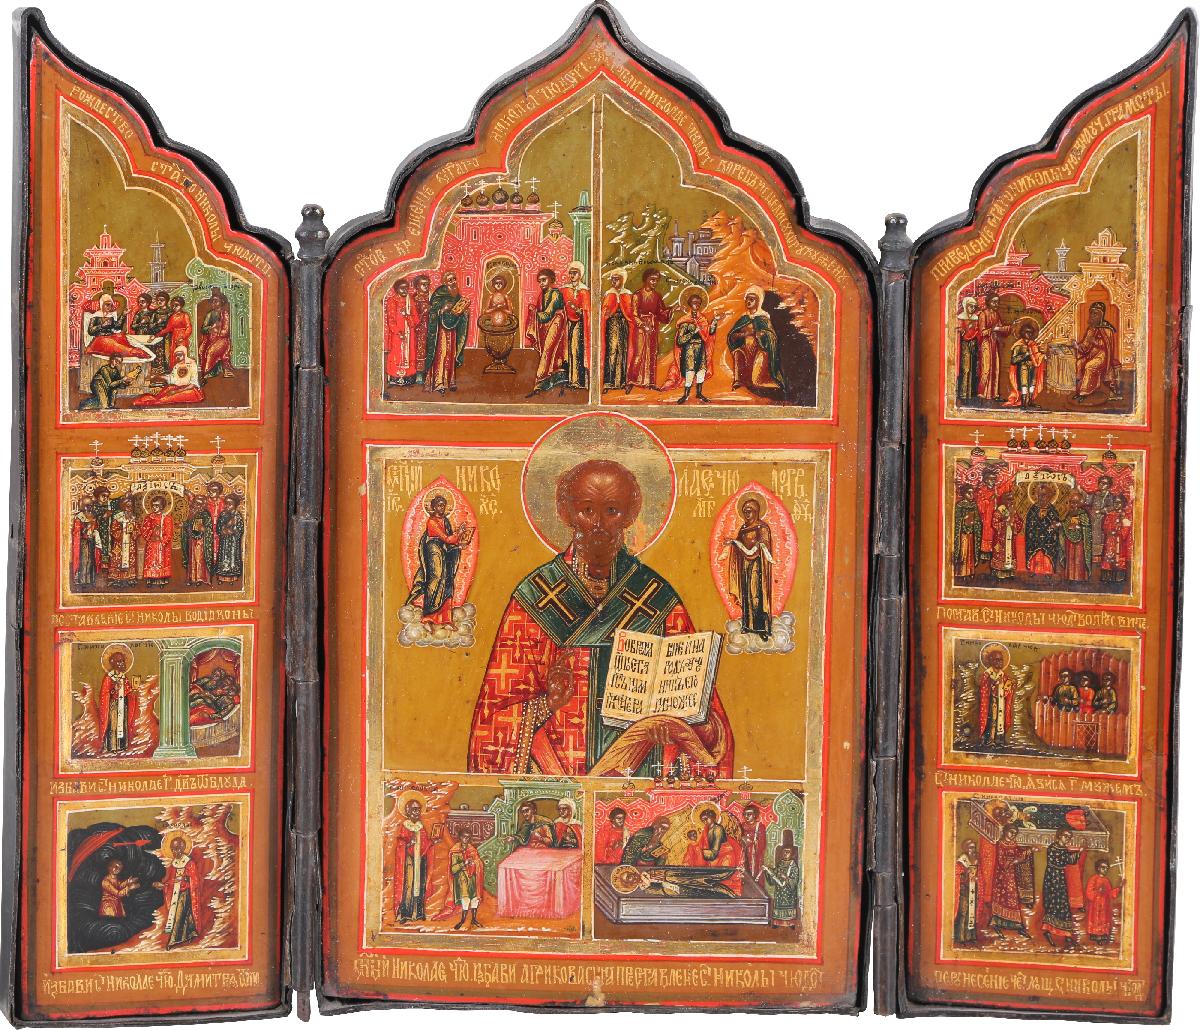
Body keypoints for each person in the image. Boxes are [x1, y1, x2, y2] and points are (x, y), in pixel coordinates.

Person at [466, 459, 734, 777]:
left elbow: (706, 719)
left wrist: (676, 723)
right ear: (566, 512)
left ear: (630, 515)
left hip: (641, 774)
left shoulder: (657, 598)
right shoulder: (535, 597)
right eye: (586, 510)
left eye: (612, 511)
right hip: (557, 777)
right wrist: (547, 704)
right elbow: (493, 720)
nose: (598, 524)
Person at [405, 492, 474, 625]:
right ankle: (429, 617)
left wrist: (460, 544)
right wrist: (458, 533)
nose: (441, 508)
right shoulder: (432, 522)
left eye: (443, 505)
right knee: (436, 579)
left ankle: (446, 618)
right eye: (439, 505)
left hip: (444, 552)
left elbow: (450, 541)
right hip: (434, 551)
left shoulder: (446, 521)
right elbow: (447, 538)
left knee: (448, 580)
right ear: (433, 507)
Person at [726, 495, 774, 639]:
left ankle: (761, 629)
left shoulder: (762, 527)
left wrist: (755, 547)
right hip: (745, 565)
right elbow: (739, 546)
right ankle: (747, 625)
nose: (747, 514)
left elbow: (763, 546)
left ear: (756, 511)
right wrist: (734, 543)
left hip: (757, 567)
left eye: (749, 511)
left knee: (756, 595)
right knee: (746, 594)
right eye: (745, 511)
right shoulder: (743, 528)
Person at [154, 834, 209, 949]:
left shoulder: (189, 863)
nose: (175, 852)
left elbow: (194, 881)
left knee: (178, 916)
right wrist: (163, 885)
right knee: (185, 915)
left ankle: (173, 940)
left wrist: (183, 882)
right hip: (176, 893)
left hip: (186, 893)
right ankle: (190, 933)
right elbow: (170, 880)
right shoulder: (174, 863)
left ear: (183, 848)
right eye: (173, 849)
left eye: (177, 848)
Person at [627, 269, 674, 390]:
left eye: (656, 280)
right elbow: (634, 314)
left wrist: (672, 309)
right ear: (646, 279)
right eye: (652, 280)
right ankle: (632, 380)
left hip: (653, 326)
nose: (654, 282)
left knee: (652, 353)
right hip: (641, 328)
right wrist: (643, 325)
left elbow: (661, 313)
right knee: (639, 353)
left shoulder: (657, 296)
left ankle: (650, 382)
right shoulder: (637, 295)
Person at [525, 268, 569, 396]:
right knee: (548, 352)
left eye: (544, 280)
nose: (541, 283)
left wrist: (534, 313)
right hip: (546, 326)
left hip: (557, 323)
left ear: (551, 280)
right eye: (539, 281)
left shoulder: (555, 294)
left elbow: (548, 314)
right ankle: (549, 381)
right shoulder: (541, 295)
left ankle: (540, 381)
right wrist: (534, 311)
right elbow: (542, 314)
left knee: (548, 351)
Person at [726, 286, 780, 391]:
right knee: (738, 352)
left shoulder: (763, 318)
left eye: (752, 299)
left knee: (757, 381)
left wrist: (760, 334)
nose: (748, 301)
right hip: (746, 351)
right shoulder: (743, 318)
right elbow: (732, 335)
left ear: (758, 301)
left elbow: (771, 336)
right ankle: (739, 380)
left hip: (760, 350)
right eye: (747, 299)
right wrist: (743, 335)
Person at [424, 272, 470, 394]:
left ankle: (450, 380)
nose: (453, 282)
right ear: (445, 282)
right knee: (442, 353)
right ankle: (439, 382)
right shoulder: (439, 292)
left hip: (452, 328)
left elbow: (458, 306)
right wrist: (443, 308)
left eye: (454, 279)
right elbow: (433, 308)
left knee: (451, 353)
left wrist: (463, 310)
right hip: (441, 330)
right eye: (450, 280)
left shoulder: (456, 293)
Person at [673, 288, 721, 404]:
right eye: (695, 303)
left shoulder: (702, 319)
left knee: (701, 371)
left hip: (701, 349)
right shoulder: (685, 321)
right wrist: (692, 333)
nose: (697, 305)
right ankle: (685, 395)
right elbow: (680, 340)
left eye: (699, 303)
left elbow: (709, 332)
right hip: (689, 349)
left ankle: (699, 393)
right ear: (690, 304)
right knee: (690, 372)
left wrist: (714, 321)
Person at [1041, 828, 1085, 950]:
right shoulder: (1052, 848)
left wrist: (1078, 853)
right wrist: (1077, 853)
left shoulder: (1063, 849)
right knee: (1053, 906)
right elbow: (1061, 861)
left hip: (1060, 880)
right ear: (1059, 836)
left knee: (1064, 907)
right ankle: (1048, 931)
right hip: (1052, 881)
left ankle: (1067, 936)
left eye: (1069, 837)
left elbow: (1068, 860)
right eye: (1066, 836)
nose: (1068, 839)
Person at [988, 825, 1034, 938]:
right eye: (1011, 832)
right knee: (1002, 899)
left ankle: (1017, 925)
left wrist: (1029, 851)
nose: (1013, 834)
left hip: (1011, 877)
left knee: (1013, 900)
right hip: (1001, 877)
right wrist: (1014, 861)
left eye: (1015, 833)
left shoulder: (1013, 843)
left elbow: (1019, 853)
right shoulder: (1000, 844)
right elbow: (1001, 862)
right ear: (1005, 831)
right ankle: (997, 923)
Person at [394, 798, 434, 923]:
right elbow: (400, 844)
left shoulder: (421, 827)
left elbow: (425, 844)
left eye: (418, 809)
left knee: (420, 885)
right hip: (409, 860)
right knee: (409, 885)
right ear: (408, 811)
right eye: (414, 809)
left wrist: (432, 842)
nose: (417, 812)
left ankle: (419, 913)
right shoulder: (405, 826)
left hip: (420, 860)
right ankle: (406, 913)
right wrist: (408, 843)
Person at [1074, 301, 1119, 402]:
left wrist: (1095, 341)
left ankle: (1084, 393)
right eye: (1091, 313)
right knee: (1079, 363)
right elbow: (1085, 345)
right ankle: (1079, 391)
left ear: (1101, 315)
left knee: (1089, 366)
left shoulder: (1107, 329)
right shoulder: (1091, 329)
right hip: (1091, 354)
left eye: (1095, 314)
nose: (1092, 316)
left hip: (1103, 356)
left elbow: (1107, 345)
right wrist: (1077, 346)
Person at [132, 346, 204, 407]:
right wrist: (157, 376)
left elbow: (193, 384)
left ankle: (146, 403)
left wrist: (177, 391)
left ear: (185, 354)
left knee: (166, 399)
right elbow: (172, 378)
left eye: (180, 355)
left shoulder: (192, 364)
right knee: (160, 395)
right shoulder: (177, 365)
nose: (178, 357)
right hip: (177, 387)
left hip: (189, 390)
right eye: (176, 355)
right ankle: (145, 400)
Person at [82, 294, 144, 359]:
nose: (109, 307)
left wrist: (123, 315)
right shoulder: (96, 316)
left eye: (111, 305)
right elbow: (91, 331)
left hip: (111, 336)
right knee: (112, 344)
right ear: (102, 304)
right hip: (100, 339)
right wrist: (101, 326)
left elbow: (117, 327)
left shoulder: (110, 315)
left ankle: (131, 350)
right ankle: (131, 351)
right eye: (107, 305)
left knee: (120, 336)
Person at [384, 278, 420, 387]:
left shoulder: (410, 301)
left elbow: (416, 320)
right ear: (396, 289)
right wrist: (398, 332)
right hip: (396, 335)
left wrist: (406, 315)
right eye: (402, 288)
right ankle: (395, 378)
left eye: (406, 288)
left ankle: (408, 377)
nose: (405, 290)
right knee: (397, 354)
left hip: (409, 334)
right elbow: (390, 320)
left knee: (409, 354)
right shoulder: (392, 301)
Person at [1024, 482, 1064, 579]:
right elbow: (1029, 525)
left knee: (1047, 555)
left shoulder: (1052, 510)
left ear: (1049, 496)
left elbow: (1057, 523)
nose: (1042, 498)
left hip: (1049, 539)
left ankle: (1048, 571)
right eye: (1039, 495)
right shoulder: (1033, 509)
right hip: (1034, 538)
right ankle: (1033, 570)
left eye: (1044, 495)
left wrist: (1056, 525)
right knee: (1036, 554)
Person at [447, 826, 484, 930]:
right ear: (460, 837)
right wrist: (464, 863)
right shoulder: (455, 851)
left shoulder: (472, 849)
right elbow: (453, 869)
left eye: (468, 837)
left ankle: (474, 919)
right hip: (462, 879)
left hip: (472, 878)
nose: (466, 839)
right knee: (465, 898)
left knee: (474, 898)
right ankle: (463, 920)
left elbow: (479, 862)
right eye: (464, 837)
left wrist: (475, 863)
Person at [601, 270, 633, 392]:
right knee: (612, 351)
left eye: (617, 279)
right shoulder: (609, 294)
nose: (614, 281)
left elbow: (630, 311)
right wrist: (607, 313)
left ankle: (622, 382)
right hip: (612, 325)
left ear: (623, 280)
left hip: (624, 325)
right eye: (612, 279)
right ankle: (608, 382)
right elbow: (604, 310)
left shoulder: (627, 294)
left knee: (623, 351)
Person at [977, 645, 1014, 747]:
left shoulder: (1004, 676)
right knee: (991, 720)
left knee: (1000, 720)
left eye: (1001, 660)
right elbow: (984, 688)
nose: (1000, 662)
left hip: (1000, 702)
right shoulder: (987, 674)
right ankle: (989, 740)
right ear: (991, 661)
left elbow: (1007, 690)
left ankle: (999, 740)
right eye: (997, 660)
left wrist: (1009, 686)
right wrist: (993, 683)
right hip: (990, 703)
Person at [976, 293, 1011, 401]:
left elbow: (1000, 328)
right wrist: (993, 329)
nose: (996, 304)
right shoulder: (983, 314)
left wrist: (1007, 328)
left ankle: (993, 394)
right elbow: (982, 332)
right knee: (986, 368)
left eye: (997, 302)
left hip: (994, 342)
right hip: (986, 343)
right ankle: (982, 393)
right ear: (988, 302)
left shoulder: (996, 314)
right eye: (994, 302)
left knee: (995, 367)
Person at [98, 649, 133, 753]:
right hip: (113, 705)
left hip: (123, 704)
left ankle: (122, 745)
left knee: (123, 723)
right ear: (114, 663)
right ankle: (112, 746)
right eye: (119, 661)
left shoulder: (123, 677)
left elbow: (127, 689)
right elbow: (105, 693)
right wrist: (114, 689)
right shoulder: (109, 678)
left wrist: (131, 690)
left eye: (123, 661)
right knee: (113, 724)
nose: (122, 664)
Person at [562, 261, 589, 391]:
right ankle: (571, 379)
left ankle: (578, 380)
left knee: (576, 349)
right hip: (567, 322)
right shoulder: (565, 289)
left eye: (575, 273)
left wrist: (577, 309)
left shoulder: (584, 290)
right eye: (571, 273)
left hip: (579, 323)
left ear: (580, 274)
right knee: (569, 351)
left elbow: (586, 310)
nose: (572, 275)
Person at [139, 495, 174, 588]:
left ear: (162, 506)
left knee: (161, 562)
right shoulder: (148, 518)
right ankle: (150, 579)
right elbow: (144, 530)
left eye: (157, 505)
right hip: (151, 544)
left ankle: (161, 580)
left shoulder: (166, 518)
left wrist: (163, 542)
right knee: (151, 562)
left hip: (161, 544)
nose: (154, 507)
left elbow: (169, 533)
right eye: (153, 505)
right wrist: (152, 531)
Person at [1005, 323, 1044, 408]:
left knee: (1032, 384)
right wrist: (1025, 355)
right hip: (1023, 367)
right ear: (1022, 333)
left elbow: (1036, 355)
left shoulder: (1033, 344)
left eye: (1031, 332)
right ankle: (1023, 402)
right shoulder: (1018, 345)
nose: (1029, 334)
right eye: (1027, 332)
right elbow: (1013, 360)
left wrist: (1040, 355)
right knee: (1024, 384)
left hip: (1033, 367)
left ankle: (1030, 401)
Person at [198, 288, 233, 381]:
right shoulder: (210, 314)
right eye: (212, 301)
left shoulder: (224, 314)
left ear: (221, 302)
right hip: (210, 339)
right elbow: (203, 329)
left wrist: (217, 332)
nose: (213, 303)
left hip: (222, 340)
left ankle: (208, 372)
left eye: (216, 301)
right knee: (202, 350)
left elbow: (225, 330)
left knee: (211, 352)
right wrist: (210, 328)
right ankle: (209, 372)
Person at [1085, 859, 1121, 945]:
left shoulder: (1106, 881)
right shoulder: (1093, 879)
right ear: (1098, 868)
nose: (1105, 870)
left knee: (1103, 919)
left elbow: (1110, 893)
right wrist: (1097, 892)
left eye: (1106, 868)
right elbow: (1088, 892)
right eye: (1103, 868)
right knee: (1095, 919)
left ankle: (1102, 936)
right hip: (1095, 905)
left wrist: (1119, 888)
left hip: (1104, 905)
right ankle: (1095, 935)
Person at [765, 844, 800, 928]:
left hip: (789, 893)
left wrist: (786, 878)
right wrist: (767, 870)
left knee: (789, 908)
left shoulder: (793, 866)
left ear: (791, 854)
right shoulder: (780, 863)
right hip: (780, 892)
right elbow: (775, 873)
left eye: (788, 852)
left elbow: (795, 881)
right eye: (784, 852)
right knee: (778, 907)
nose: (786, 854)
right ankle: (777, 923)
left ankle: (790, 923)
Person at [952, 839, 981, 944]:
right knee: (963, 913)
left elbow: (980, 874)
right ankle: (960, 937)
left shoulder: (976, 859)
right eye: (970, 847)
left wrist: (977, 878)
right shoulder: (961, 860)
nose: (973, 850)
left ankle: (970, 936)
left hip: (973, 889)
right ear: (965, 848)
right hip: (964, 890)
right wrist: (965, 873)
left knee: (971, 913)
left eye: (974, 847)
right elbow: (957, 874)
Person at [107, 496, 139, 588]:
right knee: (117, 559)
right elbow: (113, 530)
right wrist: (123, 530)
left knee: (130, 560)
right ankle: (117, 579)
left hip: (130, 543)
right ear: (123, 507)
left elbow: (138, 530)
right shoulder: (118, 518)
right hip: (119, 543)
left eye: (131, 506)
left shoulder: (133, 518)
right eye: (127, 506)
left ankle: (129, 578)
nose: (129, 509)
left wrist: (134, 532)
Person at [1099, 494, 1132, 585]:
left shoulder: (1125, 516)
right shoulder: (1110, 515)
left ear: (1123, 503)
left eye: (1119, 502)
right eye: (1115, 502)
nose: (1116, 504)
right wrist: (1110, 531)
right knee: (1108, 559)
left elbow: (1125, 531)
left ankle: (1118, 578)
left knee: (1119, 559)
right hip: (1110, 541)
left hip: (1119, 542)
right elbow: (1105, 527)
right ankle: (1107, 578)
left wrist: (1119, 531)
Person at [181, 497, 214, 586]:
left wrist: (204, 529)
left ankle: (200, 578)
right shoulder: (192, 514)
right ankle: (191, 577)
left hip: (201, 541)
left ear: (203, 505)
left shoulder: (206, 515)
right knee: (192, 559)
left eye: (199, 504)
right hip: (192, 541)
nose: (197, 506)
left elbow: (209, 528)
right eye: (196, 504)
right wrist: (184, 525)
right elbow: (189, 524)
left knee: (199, 559)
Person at [988, 493, 1021, 581]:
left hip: (1010, 536)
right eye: (1009, 499)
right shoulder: (1000, 510)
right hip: (1001, 538)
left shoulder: (1013, 511)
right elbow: (995, 524)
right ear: (1004, 500)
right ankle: (999, 573)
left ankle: (1009, 573)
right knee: (1000, 554)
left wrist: (1014, 523)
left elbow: (1018, 523)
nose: (1011, 501)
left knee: (1010, 553)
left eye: (1012, 499)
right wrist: (1006, 522)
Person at [1062, 491, 1092, 584]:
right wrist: (1062, 525)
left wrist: (1078, 527)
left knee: (1079, 559)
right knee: (1070, 559)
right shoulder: (1069, 513)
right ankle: (1070, 577)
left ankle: (1079, 578)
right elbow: (1066, 524)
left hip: (1080, 543)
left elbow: (1086, 528)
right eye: (1071, 502)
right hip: (1069, 541)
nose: (1073, 505)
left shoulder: (1083, 514)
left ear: (1080, 503)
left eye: (1075, 502)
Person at [70, 503, 102, 590]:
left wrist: (94, 531)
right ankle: (82, 581)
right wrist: (86, 529)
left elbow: (96, 527)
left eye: (91, 506)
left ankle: (91, 580)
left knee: (91, 560)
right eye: (88, 506)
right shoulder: (79, 517)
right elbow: (77, 532)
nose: (90, 508)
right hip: (83, 543)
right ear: (84, 507)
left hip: (91, 541)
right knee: (84, 561)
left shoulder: (93, 516)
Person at [214, 495, 245, 585]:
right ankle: (221, 577)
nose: (227, 506)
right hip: (224, 541)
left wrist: (233, 531)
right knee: (222, 557)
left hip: (233, 542)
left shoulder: (237, 516)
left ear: (235, 505)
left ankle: (232, 577)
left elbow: (240, 529)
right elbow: (218, 527)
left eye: (230, 504)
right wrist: (223, 530)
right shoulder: (223, 514)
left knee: (232, 558)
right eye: (226, 504)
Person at [952, 485, 982, 577]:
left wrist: (975, 522)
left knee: (971, 552)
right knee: (963, 552)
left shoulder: (974, 505)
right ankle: (961, 573)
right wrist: (964, 518)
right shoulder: (959, 505)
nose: (971, 495)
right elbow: (956, 519)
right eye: (969, 493)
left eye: (972, 493)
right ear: (964, 494)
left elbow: (977, 519)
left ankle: (970, 572)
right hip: (963, 533)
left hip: (971, 532)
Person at [955, 296, 980, 403]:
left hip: (973, 343)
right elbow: (959, 330)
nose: (972, 308)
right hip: (965, 344)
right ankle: (963, 393)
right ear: (966, 306)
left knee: (973, 368)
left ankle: (970, 393)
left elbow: (977, 330)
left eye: (974, 307)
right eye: (971, 306)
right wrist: (963, 330)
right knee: (966, 368)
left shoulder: (976, 318)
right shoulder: (961, 317)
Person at [974, 469, 999, 563]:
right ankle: (984, 554)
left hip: (994, 515)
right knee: (986, 533)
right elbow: (980, 505)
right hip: (985, 517)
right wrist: (990, 499)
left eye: (994, 479)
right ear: (986, 480)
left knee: (994, 533)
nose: (993, 481)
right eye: (991, 479)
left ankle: (992, 553)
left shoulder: (995, 490)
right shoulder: (981, 491)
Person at [741, 804, 768, 889]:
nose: (746, 816)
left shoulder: (760, 827)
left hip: (755, 857)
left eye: (749, 814)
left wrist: (752, 842)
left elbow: (762, 845)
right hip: (744, 855)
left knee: (756, 876)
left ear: (755, 815)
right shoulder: (741, 826)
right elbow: (737, 839)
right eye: (745, 814)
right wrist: (742, 840)